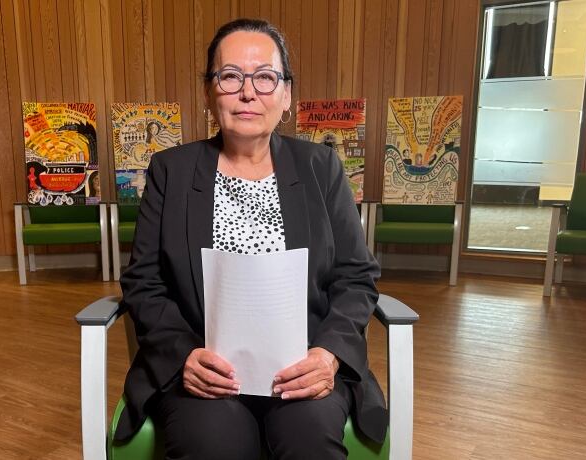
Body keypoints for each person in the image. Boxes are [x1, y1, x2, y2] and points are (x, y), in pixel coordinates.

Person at [117, 18, 386, 459]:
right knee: (212, 443)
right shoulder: (172, 172)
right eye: (230, 77)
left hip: (302, 366)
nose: (248, 92)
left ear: (286, 94)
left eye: (265, 77)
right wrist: (184, 355)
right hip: (206, 375)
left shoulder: (321, 167)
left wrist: (328, 355)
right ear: (209, 92)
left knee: (310, 439)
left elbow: (356, 277)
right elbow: (144, 281)